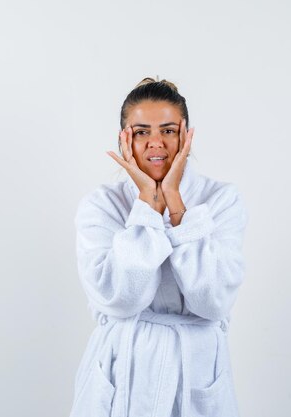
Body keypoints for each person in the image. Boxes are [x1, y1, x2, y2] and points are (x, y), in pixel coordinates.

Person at [69, 78, 249, 417]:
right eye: (141, 132)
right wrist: (148, 208)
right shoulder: (102, 205)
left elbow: (213, 302)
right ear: (124, 139)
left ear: (186, 137)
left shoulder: (221, 200)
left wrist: (176, 204)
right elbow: (121, 300)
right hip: (123, 370)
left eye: (168, 131)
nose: (156, 143)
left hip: (195, 371)